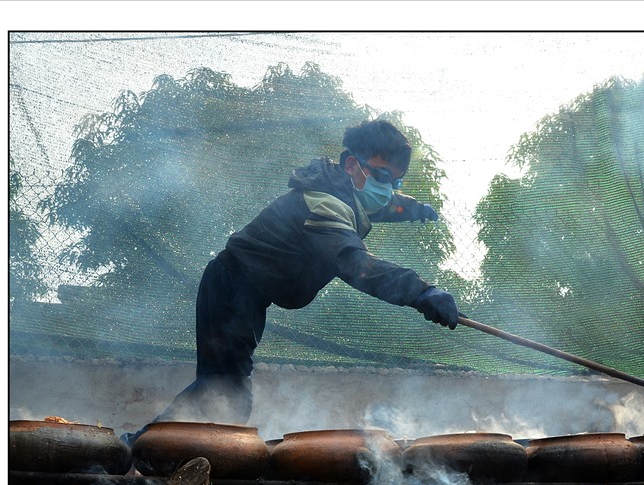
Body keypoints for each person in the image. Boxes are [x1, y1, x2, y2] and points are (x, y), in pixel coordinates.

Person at [130, 119, 458, 439]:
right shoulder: (325, 204)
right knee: (224, 394)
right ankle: (145, 449)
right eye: (382, 176)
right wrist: (422, 293)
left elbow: (385, 204)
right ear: (350, 165)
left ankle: (152, 449)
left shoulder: (347, 188)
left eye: (395, 182)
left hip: (249, 293)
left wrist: (416, 209)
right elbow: (356, 264)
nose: (386, 189)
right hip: (231, 286)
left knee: (224, 393)